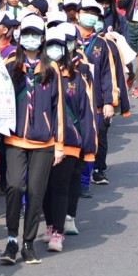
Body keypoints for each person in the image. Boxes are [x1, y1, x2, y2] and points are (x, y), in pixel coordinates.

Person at [0, 14, 64, 266]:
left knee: (36, 192)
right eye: (25, 32)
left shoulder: (51, 69)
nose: (30, 38)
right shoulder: (9, 65)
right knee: (15, 186)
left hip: (44, 142)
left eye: (35, 34)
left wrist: (59, 144)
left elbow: (58, 108)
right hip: (15, 139)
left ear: (42, 38)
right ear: (20, 36)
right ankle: (11, 239)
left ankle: (28, 243)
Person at [41, 24, 96, 252]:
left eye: (58, 46)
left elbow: (86, 113)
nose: (55, 50)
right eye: (51, 46)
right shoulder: (40, 77)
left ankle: (58, 232)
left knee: (61, 186)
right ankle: (50, 223)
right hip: (43, 142)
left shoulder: (77, 78)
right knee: (43, 188)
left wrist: (89, 147)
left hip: (71, 143)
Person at [75, 0, 117, 186]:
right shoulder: (68, 39)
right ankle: (73, 180)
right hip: (71, 100)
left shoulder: (102, 43)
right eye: (86, 12)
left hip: (96, 102)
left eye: (94, 14)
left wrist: (109, 102)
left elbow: (108, 75)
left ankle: (85, 182)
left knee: (94, 139)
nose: (90, 17)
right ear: (77, 15)